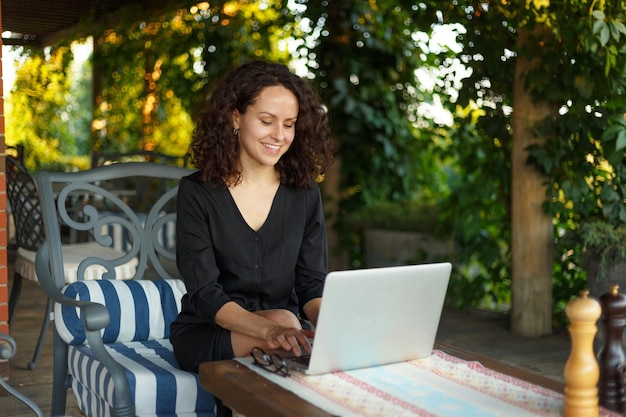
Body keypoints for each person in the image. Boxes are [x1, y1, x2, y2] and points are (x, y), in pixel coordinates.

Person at [170, 60, 334, 387]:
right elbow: (204, 293)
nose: (279, 135)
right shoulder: (197, 193)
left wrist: (338, 328)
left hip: (283, 327)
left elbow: (311, 285)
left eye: (289, 124)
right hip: (209, 332)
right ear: (235, 117)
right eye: (266, 121)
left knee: (293, 334)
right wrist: (272, 329)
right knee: (286, 333)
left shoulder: (304, 195)